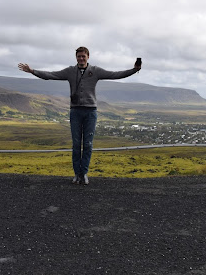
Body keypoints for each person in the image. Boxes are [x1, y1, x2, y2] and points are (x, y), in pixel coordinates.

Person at [18, 47, 142, 185]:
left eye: (83, 56)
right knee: (76, 144)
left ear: (88, 57)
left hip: (91, 112)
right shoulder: (70, 71)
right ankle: (77, 174)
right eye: (79, 56)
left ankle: (84, 173)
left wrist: (134, 70)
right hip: (75, 111)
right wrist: (32, 71)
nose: (81, 58)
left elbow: (116, 74)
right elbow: (50, 75)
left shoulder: (96, 71)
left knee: (88, 144)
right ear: (76, 57)